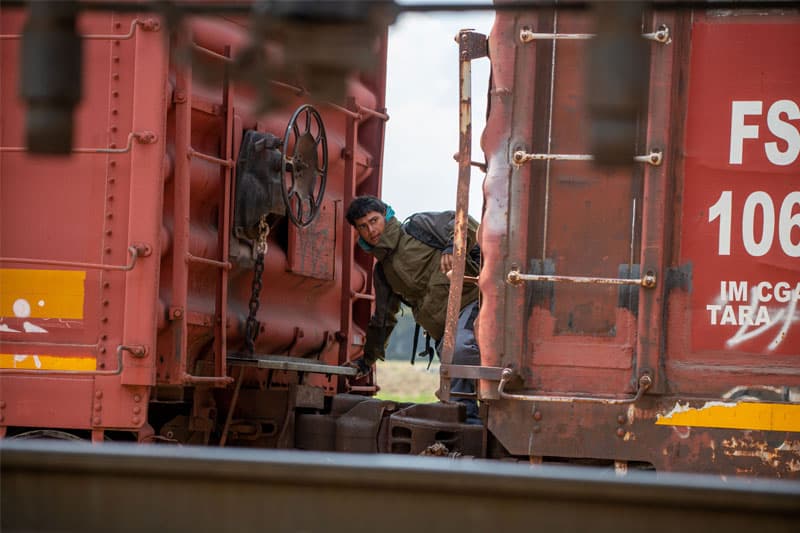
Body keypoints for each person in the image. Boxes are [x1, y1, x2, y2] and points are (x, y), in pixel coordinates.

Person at [344, 195, 482, 424]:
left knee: (463, 351)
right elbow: (383, 321)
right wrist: (366, 361)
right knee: (455, 398)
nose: (371, 230)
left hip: (471, 305)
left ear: (386, 215)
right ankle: (471, 432)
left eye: (374, 220)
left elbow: (465, 222)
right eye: (363, 226)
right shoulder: (383, 273)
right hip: (444, 332)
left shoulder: (418, 226)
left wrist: (451, 246)